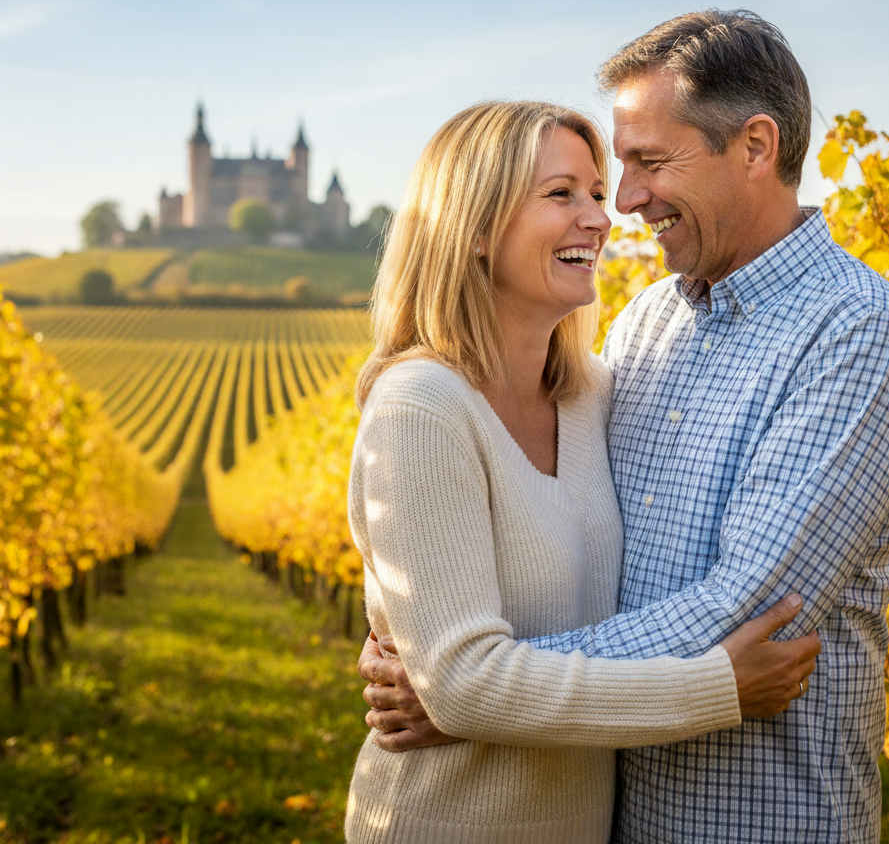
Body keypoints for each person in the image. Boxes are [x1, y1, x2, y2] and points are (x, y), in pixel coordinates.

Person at [358, 11, 889, 843]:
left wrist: (466, 693)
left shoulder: (855, 330)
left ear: (755, 146)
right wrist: (456, 672)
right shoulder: (644, 327)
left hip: (757, 823)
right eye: (606, 175)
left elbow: (752, 610)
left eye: (647, 163)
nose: (624, 204)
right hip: (613, 816)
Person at [345, 99, 820, 844]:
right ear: (474, 227)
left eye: (596, 193)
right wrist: (713, 688)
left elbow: (468, 682)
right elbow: (462, 682)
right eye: (561, 194)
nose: (600, 218)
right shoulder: (423, 407)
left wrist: (462, 687)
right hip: (447, 824)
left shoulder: (594, 395)